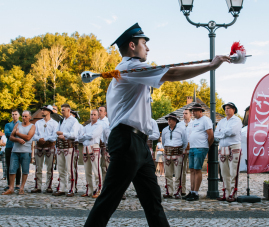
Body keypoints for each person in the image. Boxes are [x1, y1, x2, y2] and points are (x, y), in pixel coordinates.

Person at [84, 23, 230, 227]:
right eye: (144, 43)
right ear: (132, 46)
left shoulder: (131, 70)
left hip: (138, 143)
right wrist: (210, 66)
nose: (148, 48)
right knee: (109, 199)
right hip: (127, 141)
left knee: (153, 200)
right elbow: (172, 74)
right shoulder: (131, 67)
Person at [183, 103, 213, 202]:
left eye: (195, 111)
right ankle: (192, 191)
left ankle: (196, 192)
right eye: (193, 111)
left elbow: (210, 135)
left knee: (197, 169)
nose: (193, 113)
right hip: (192, 147)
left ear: (200, 111)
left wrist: (207, 146)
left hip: (201, 147)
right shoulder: (194, 121)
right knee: (191, 170)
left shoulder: (206, 120)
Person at [214, 102, 242, 202]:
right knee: (224, 172)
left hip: (233, 147)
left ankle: (233, 193)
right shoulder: (221, 121)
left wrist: (223, 132)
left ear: (234, 110)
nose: (227, 110)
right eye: (225, 108)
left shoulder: (237, 120)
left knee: (233, 171)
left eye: (229, 108)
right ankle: (226, 193)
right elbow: (216, 134)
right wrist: (224, 132)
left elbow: (232, 132)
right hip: (223, 147)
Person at [2, 111, 35, 195]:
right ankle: (11, 188)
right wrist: (17, 139)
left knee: (25, 170)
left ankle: (21, 188)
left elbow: (28, 137)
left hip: (25, 151)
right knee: (12, 169)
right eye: (23, 116)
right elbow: (11, 137)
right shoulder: (17, 125)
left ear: (29, 117)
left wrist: (18, 133)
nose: (24, 118)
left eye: (25, 116)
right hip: (15, 151)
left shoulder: (32, 126)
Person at [31, 105, 59, 193]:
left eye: (44, 110)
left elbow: (54, 136)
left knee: (49, 167)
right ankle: (38, 186)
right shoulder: (38, 123)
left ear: (49, 111)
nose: (42, 111)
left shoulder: (55, 123)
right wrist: (39, 138)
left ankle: (48, 186)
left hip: (49, 146)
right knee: (38, 167)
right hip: (39, 146)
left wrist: (45, 139)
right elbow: (34, 134)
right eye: (42, 109)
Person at [53, 103, 79, 197]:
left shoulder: (74, 121)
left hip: (69, 146)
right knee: (61, 168)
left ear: (68, 110)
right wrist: (60, 135)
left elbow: (75, 134)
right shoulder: (61, 121)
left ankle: (72, 188)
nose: (62, 111)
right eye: (61, 110)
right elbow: (56, 132)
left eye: (63, 110)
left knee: (70, 168)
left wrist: (64, 134)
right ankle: (62, 188)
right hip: (60, 146)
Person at [162, 113, 187, 199]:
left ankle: (177, 192)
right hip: (167, 153)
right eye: (168, 119)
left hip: (178, 153)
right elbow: (163, 142)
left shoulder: (181, 130)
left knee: (178, 174)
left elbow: (185, 142)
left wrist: (180, 150)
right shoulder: (165, 130)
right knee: (167, 174)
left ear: (175, 120)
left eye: (171, 119)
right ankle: (169, 191)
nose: (169, 120)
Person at [79, 109, 103, 198]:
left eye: (94, 114)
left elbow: (92, 136)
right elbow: (79, 137)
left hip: (94, 147)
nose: (92, 116)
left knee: (96, 170)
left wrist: (85, 136)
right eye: (91, 114)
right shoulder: (86, 126)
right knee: (87, 170)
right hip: (86, 148)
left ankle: (98, 189)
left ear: (98, 116)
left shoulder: (99, 126)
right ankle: (89, 189)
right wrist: (86, 136)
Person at [4, 109, 21, 191]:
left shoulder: (21, 124)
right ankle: (9, 184)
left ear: (19, 115)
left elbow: (23, 133)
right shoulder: (7, 124)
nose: (14, 116)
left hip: (18, 147)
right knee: (9, 166)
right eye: (13, 114)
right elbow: (7, 133)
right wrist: (16, 133)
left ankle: (17, 184)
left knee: (18, 166)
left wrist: (13, 133)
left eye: (15, 114)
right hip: (9, 147)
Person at [177, 108, 193, 196]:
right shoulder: (179, 125)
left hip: (192, 149)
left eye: (186, 113)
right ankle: (182, 189)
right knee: (182, 169)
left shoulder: (194, 124)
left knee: (192, 170)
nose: (184, 115)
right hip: (182, 149)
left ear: (190, 114)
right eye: (183, 113)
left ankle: (192, 189)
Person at [70, 109, 82, 193]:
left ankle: (74, 185)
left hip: (74, 146)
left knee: (73, 167)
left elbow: (81, 137)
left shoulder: (80, 126)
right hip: (65, 147)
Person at [97, 106, 110, 184]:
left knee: (106, 167)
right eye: (98, 110)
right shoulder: (96, 122)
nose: (99, 112)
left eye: (101, 110)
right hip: (97, 146)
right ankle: (101, 185)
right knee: (100, 167)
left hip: (105, 147)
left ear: (105, 113)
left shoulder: (107, 122)